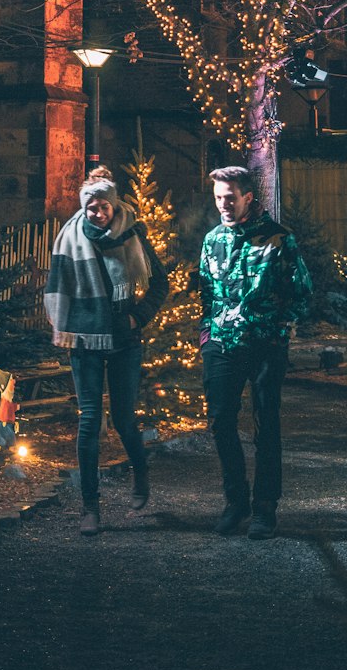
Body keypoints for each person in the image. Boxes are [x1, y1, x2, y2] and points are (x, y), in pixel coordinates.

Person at [45, 166, 172, 535]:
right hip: (85, 340)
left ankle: (140, 471)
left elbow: (160, 283)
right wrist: (62, 327)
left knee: (123, 419)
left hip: (123, 340)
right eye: (91, 208)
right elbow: (59, 286)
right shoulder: (69, 238)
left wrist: (138, 317)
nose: (97, 213)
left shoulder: (132, 235)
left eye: (103, 207)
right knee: (88, 421)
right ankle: (90, 507)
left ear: (114, 207)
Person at [198, 166, 311, 540]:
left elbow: (302, 291)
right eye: (218, 198)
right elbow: (205, 291)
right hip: (222, 344)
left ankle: (265, 508)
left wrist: (279, 328)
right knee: (221, 422)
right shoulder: (213, 239)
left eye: (230, 197)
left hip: (264, 344)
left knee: (266, 424)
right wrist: (207, 333)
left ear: (248, 196)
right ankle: (236, 502)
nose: (224, 205)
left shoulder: (279, 240)